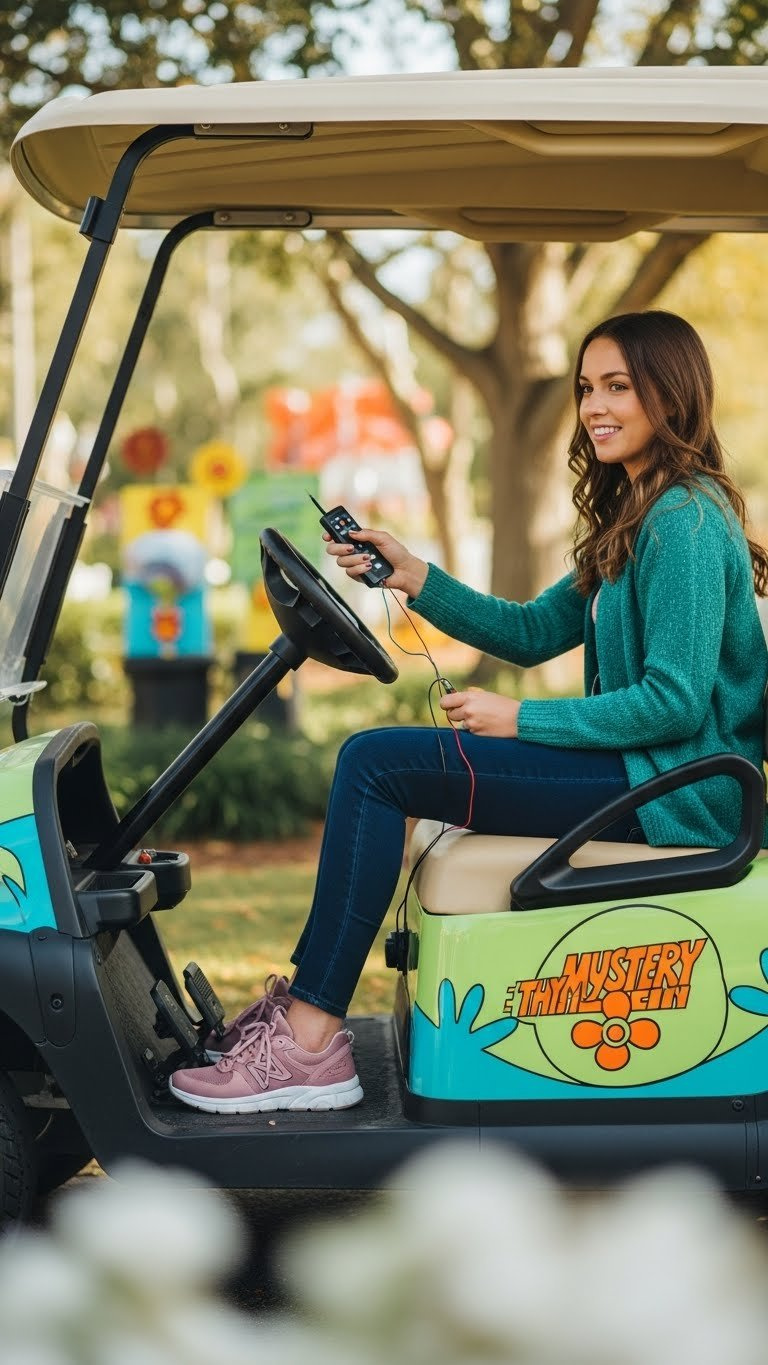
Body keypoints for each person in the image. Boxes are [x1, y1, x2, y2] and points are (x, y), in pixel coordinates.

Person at [170, 309, 768, 1116]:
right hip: (644, 775)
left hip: (676, 794)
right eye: (587, 388)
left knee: (376, 765)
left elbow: (676, 701)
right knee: (377, 761)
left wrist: (521, 721)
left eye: (618, 387)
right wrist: (413, 574)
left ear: (673, 394)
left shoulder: (685, 521)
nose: (594, 407)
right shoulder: (637, 514)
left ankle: (308, 1039)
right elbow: (530, 631)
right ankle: (306, 1023)